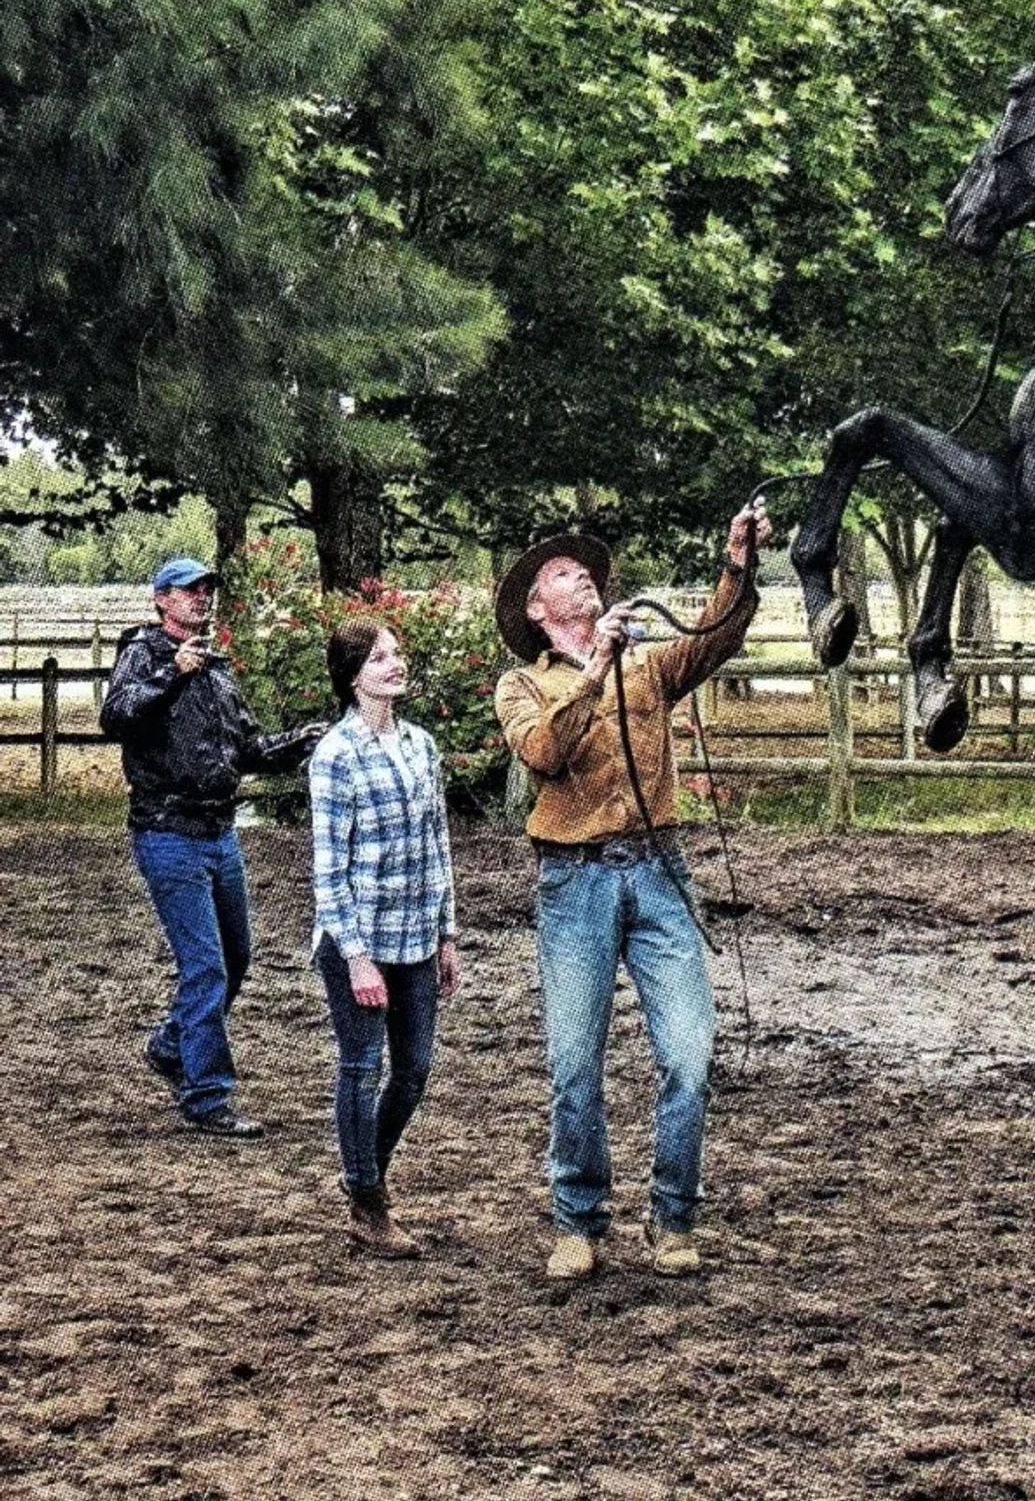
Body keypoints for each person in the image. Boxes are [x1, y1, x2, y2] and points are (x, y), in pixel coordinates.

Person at [494, 504, 770, 1281]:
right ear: (538, 611)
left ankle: (673, 1218)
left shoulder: (650, 665)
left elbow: (717, 636)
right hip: (572, 881)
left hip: (659, 871)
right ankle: (577, 1222)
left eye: (584, 571)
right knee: (574, 1065)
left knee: (690, 1055)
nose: (580, 576)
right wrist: (592, 674)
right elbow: (544, 753)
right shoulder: (522, 685)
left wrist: (737, 561)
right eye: (560, 576)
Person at [101, 556, 326, 1137]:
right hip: (167, 831)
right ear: (160, 599)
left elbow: (247, 749)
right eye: (189, 590)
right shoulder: (144, 655)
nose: (202, 599)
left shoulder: (218, 672)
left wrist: (300, 741)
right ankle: (207, 1098)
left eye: (207, 590)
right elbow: (116, 716)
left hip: (219, 834)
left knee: (236, 960)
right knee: (205, 968)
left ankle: (171, 1045)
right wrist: (171, 673)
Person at [309, 617, 460, 1258]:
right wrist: (357, 957)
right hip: (359, 942)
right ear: (352, 677)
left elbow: (439, 846)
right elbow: (328, 868)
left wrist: (447, 933)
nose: (395, 664)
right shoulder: (335, 755)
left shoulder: (421, 746)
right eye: (379, 657)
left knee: (415, 1070)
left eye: (397, 653)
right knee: (362, 1065)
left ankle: (361, 1176)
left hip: (418, 937)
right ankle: (369, 1203)